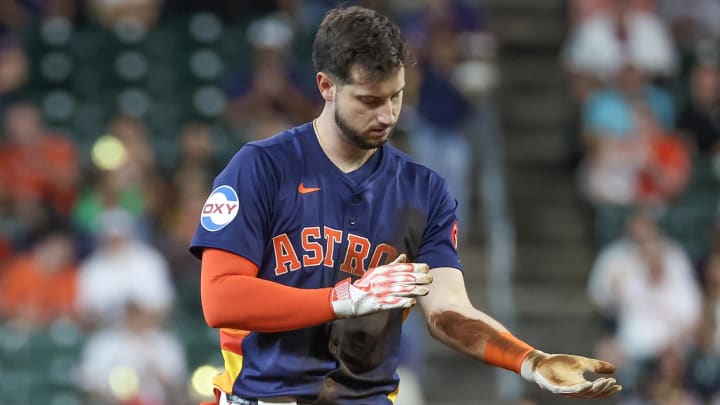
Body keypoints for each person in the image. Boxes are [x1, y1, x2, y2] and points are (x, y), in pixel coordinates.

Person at [190, 6, 622, 405]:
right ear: (326, 86)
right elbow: (221, 298)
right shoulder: (261, 167)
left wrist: (531, 361)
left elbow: (448, 312)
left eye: (395, 96)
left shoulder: (424, 190)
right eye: (369, 100)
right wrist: (344, 298)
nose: (386, 115)